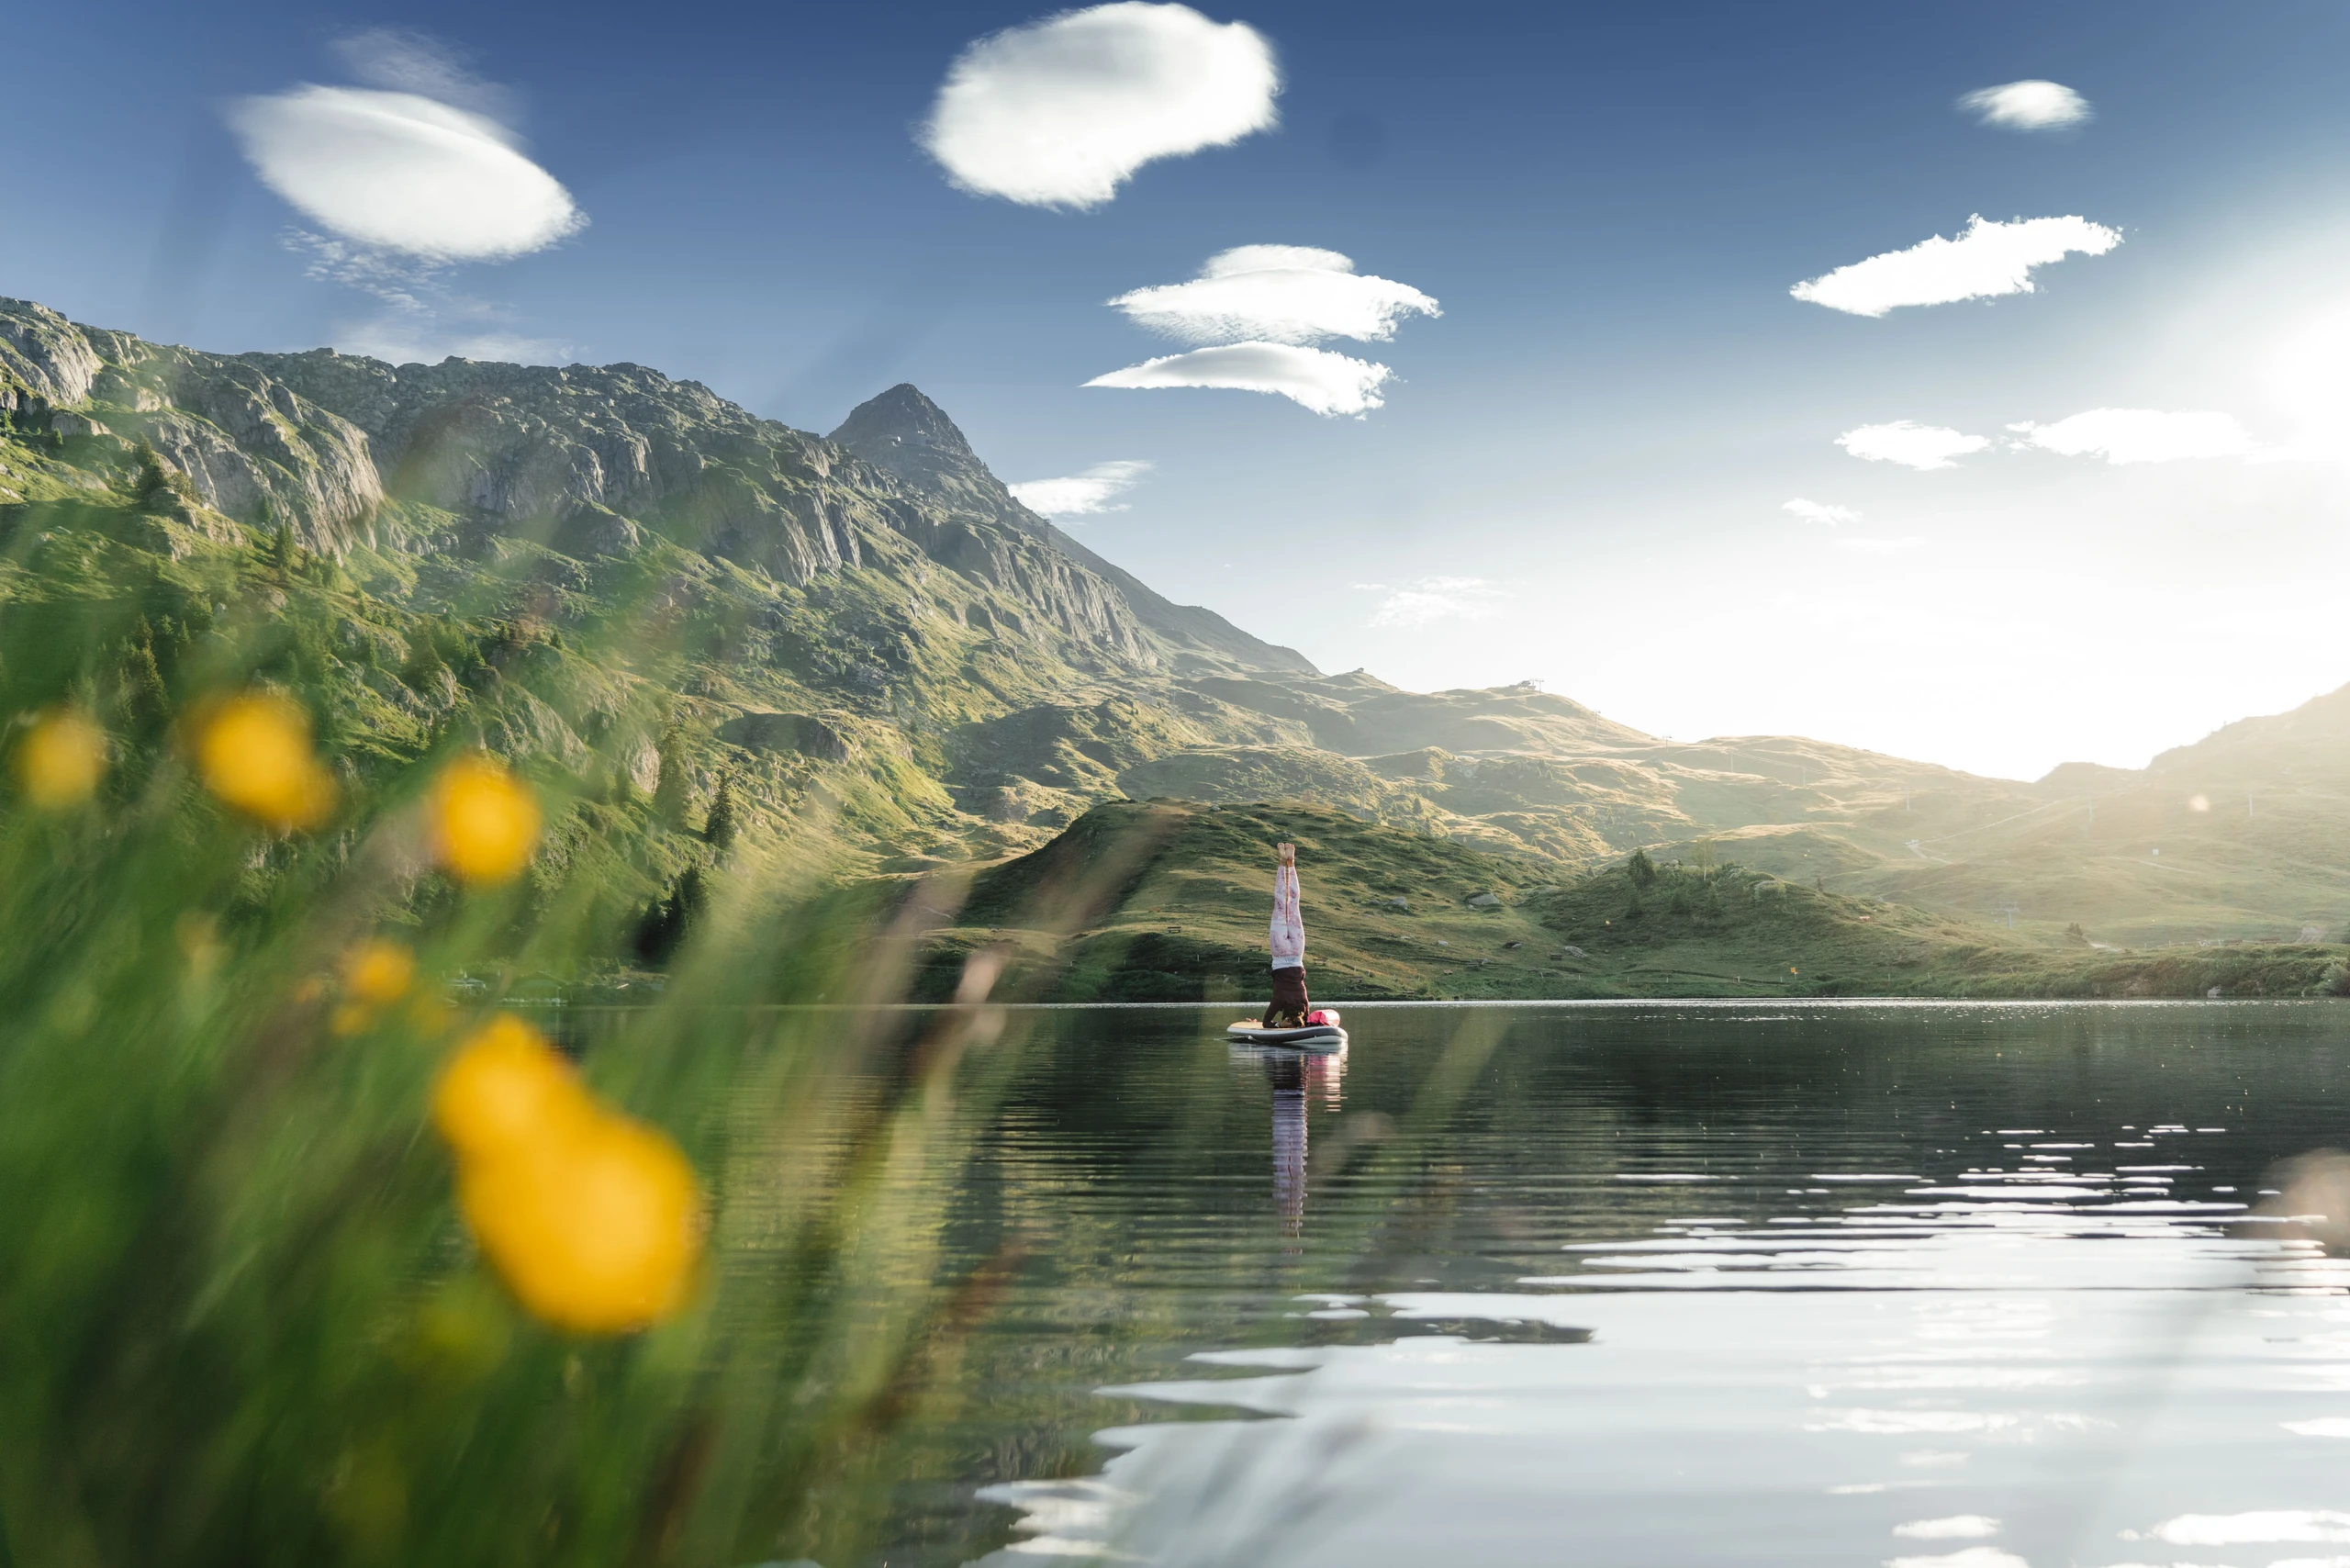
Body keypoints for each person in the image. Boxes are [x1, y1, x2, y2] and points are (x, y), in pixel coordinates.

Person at [1264, 841, 1313, 1027]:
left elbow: (1307, 1021)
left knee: (1293, 905)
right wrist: (1278, 1025)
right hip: (1280, 953)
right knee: (1280, 904)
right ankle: (1282, 863)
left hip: (1297, 954)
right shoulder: (1280, 1001)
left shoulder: (1304, 1004)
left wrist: (1295, 1023)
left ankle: (1291, 864)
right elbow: (1266, 1023)